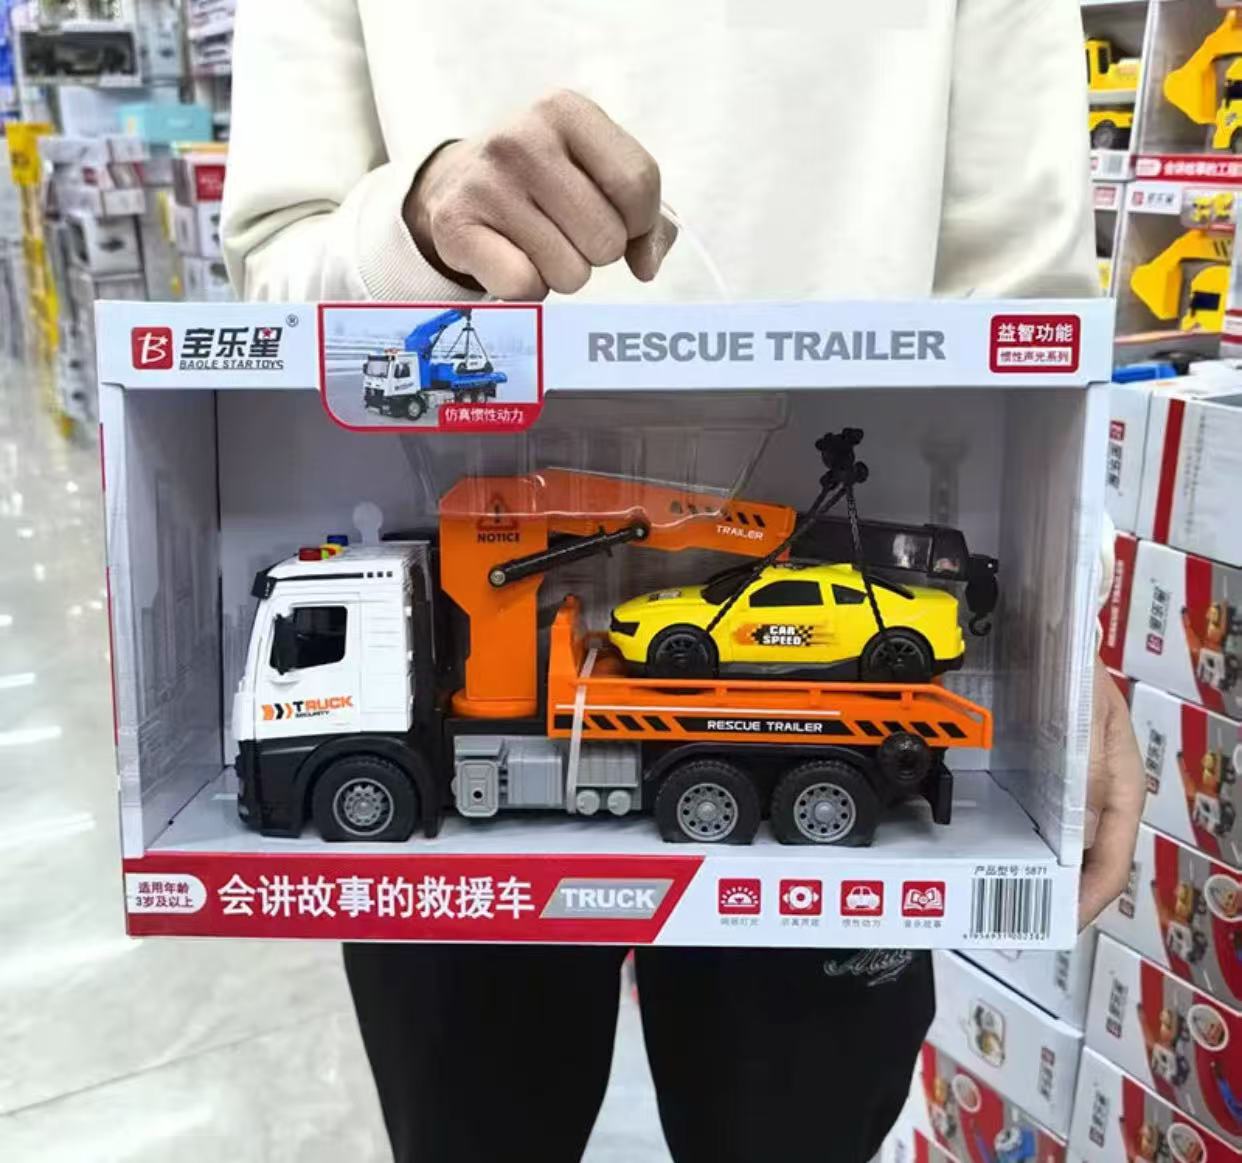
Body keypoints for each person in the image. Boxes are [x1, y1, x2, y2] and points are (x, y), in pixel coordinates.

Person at [222, 3, 1144, 1160]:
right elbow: (270, 280)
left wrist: (1060, 646)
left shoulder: (726, 595)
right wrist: (409, 227)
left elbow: (1031, 312)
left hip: (724, 716)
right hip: (499, 697)